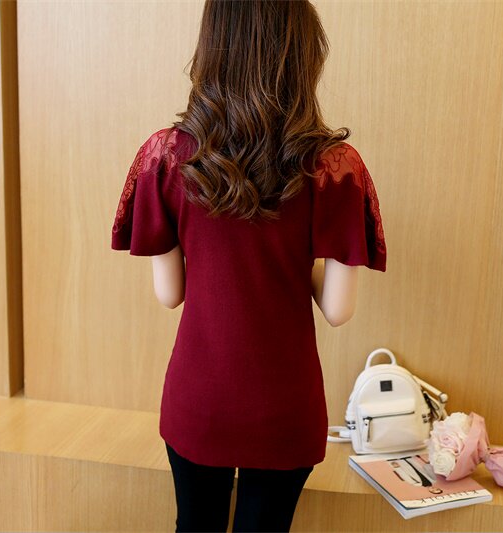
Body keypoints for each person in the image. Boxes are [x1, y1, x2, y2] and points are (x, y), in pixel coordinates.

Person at [110, 1, 386, 531]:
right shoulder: (334, 168)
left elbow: (170, 293)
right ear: (301, 55)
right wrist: (288, 267)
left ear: (212, 48)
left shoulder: (166, 157)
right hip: (285, 407)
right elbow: (337, 310)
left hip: (199, 399)